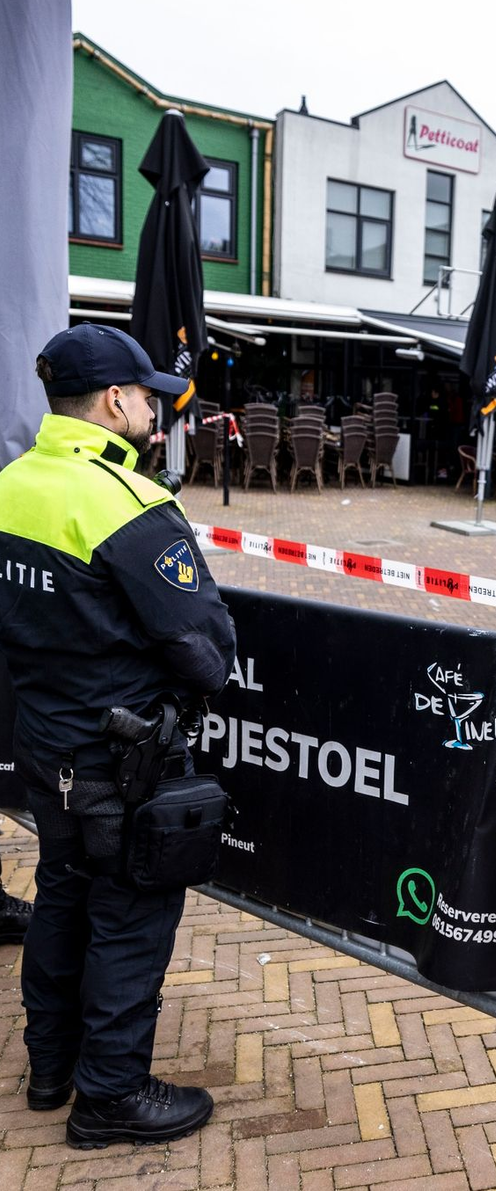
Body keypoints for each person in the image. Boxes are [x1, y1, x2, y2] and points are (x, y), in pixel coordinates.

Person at [0, 323, 236, 1147]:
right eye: (145, 397)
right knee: (131, 918)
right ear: (113, 402)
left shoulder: (11, 483)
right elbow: (208, 648)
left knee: (62, 896)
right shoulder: (126, 503)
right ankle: (109, 1094)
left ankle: (50, 1069)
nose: (152, 409)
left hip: (44, 747)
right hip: (121, 762)